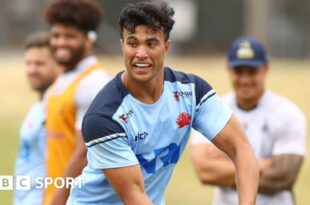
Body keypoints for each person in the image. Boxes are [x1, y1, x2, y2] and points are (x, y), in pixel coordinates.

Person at [67, 2, 259, 205]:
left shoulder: (191, 91)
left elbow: (241, 149)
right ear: (122, 45)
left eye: (151, 43)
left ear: (166, 47)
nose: (141, 53)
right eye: (133, 43)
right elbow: (134, 195)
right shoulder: (104, 117)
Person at [190, 36, 306, 205]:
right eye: (239, 72)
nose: (245, 80)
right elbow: (205, 172)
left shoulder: (288, 113)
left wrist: (225, 168)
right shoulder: (211, 109)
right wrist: (265, 164)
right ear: (228, 69)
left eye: (252, 72)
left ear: (266, 68)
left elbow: (284, 176)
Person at [43, 0, 110, 204]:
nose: (60, 42)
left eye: (69, 36)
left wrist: (58, 200)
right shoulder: (62, 80)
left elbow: (84, 152)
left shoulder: (93, 82)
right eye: (56, 35)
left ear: (89, 39)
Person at [14, 32, 59, 205]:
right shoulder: (38, 105)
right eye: (29, 63)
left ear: (58, 64)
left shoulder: (57, 109)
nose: (32, 70)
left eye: (39, 64)